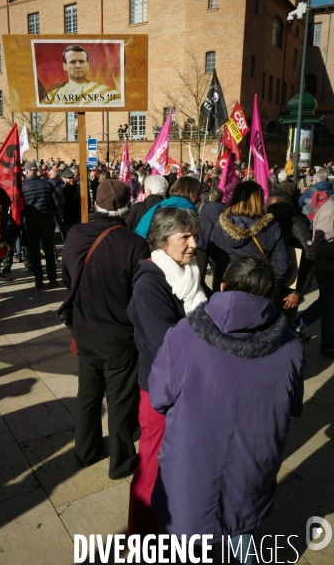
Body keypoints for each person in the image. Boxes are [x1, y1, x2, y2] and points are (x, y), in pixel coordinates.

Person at [149, 255, 304, 563]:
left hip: (189, 469)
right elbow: (293, 406)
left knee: (187, 545)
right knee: (242, 533)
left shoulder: (183, 334)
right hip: (252, 470)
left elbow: (159, 397)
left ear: (222, 286)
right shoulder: (291, 346)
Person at [62, 179, 150, 480]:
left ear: (96, 203)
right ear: (127, 206)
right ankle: (121, 461)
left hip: (84, 329)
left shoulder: (75, 234)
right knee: (120, 399)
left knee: (87, 394)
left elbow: (67, 279)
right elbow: (141, 296)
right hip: (119, 337)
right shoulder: (135, 244)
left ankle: (85, 451)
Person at [127, 207, 207, 537]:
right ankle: (140, 534)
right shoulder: (150, 284)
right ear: (162, 241)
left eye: (195, 236)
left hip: (191, 385)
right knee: (152, 464)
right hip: (160, 391)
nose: (193, 244)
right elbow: (165, 344)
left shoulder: (189, 274)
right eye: (185, 237)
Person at [208, 180, 290, 291]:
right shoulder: (271, 227)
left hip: (224, 286)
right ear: (258, 201)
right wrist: (270, 289)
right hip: (258, 288)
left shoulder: (218, 225)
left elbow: (212, 258)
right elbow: (281, 266)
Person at [266, 191, 315, 327]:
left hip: (289, 291)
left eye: (274, 208)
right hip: (274, 284)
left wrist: (298, 292)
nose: (270, 211)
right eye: (268, 207)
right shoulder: (275, 223)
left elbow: (310, 257)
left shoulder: (297, 225)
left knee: (283, 328)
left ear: (287, 206)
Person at [41, 44, 121, 106]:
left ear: (88, 65)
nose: (78, 66)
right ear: (64, 66)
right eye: (73, 62)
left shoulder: (102, 90)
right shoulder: (53, 94)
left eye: (81, 61)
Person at [22, 161, 58, 289]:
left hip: (31, 223)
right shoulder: (47, 184)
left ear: (26, 172)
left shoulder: (23, 187)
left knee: (35, 252)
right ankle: (52, 279)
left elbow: (20, 207)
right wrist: (51, 212)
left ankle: (39, 281)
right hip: (47, 222)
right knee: (49, 251)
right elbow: (57, 202)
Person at [135, 177, 201, 239]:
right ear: (192, 193)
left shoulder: (161, 204)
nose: (199, 199)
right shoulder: (186, 211)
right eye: (198, 195)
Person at [312, 194, 334, 358]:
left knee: (327, 303)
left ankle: (299, 323)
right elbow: (322, 244)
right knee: (329, 308)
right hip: (327, 268)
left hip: (329, 267)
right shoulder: (330, 210)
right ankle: (328, 345)